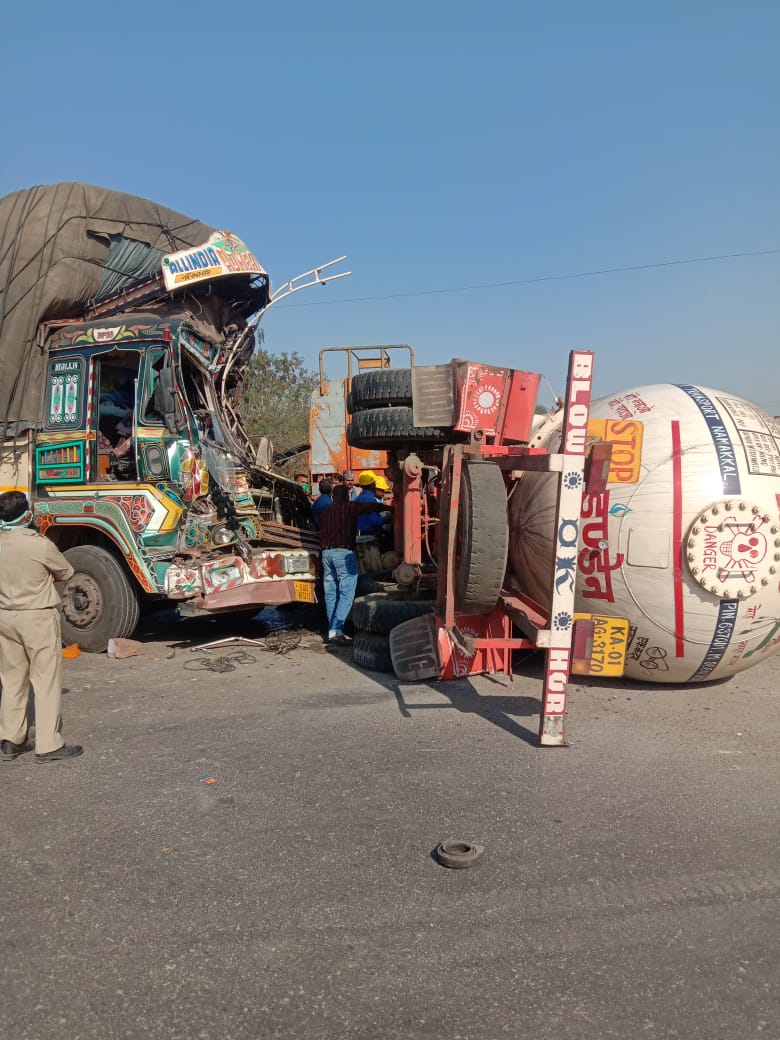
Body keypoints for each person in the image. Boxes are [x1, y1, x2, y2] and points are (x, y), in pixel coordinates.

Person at [0, 492, 83, 763]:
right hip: (36, 616)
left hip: (5, 617)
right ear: (26, 516)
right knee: (46, 680)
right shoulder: (39, 545)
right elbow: (67, 571)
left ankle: (11, 739)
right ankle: (48, 744)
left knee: (12, 679)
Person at [318, 485, 389, 644]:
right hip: (343, 553)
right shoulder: (349, 507)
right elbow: (370, 507)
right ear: (346, 497)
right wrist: (389, 508)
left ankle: (332, 630)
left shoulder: (326, 513)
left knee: (331, 592)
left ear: (332, 497)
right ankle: (337, 629)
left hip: (326, 554)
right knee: (347, 591)